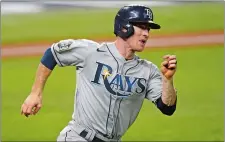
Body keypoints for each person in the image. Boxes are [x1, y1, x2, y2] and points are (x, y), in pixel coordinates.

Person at [21, 4, 177, 142]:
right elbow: (52, 53)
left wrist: (168, 80)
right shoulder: (91, 52)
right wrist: (36, 93)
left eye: (148, 29)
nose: (146, 34)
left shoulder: (148, 71)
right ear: (124, 27)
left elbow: (167, 108)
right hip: (79, 137)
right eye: (142, 27)